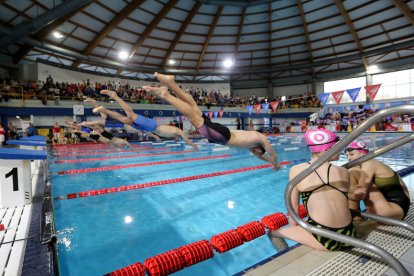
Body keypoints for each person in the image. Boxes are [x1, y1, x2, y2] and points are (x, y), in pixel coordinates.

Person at [144, 73, 280, 170]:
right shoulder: (259, 138)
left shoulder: (252, 147)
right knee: (194, 117)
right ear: (260, 148)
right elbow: (270, 150)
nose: (256, 154)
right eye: (258, 152)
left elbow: (261, 156)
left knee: (193, 107)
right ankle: (165, 95)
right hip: (222, 136)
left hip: (221, 134)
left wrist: (270, 162)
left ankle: (170, 83)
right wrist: (276, 163)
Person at [268, 129, 356, 251]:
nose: (341, 150)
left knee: (272, 233)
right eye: (338, 146)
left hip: (324, 239)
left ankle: (285, 256)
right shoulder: (344, 171)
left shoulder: (297, 170)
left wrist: (298, 230)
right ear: (327, 149)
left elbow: (294, 214)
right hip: (350, 236)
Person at [92, 91, 199, 151]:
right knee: (130, 113)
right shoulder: (180, 131)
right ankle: (114, 96)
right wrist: (194, 146)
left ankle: (103, 109)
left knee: (124, 119)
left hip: (148, 128)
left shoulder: (175, 132)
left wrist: (155, 136)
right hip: (152, 125)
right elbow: (187, 140)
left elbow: (172, 136)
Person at [346, 141, 410, 220]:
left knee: (353, 172)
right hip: (399, 211)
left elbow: (361, 193)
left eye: (352, 154)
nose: (349, 158)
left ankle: (354, 220)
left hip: (389, 211)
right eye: (347, 156)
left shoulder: (368, 164)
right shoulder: (375, 164)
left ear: (363, 153)